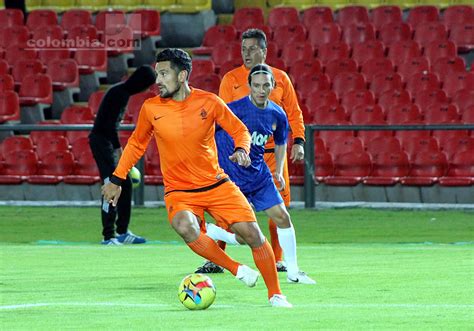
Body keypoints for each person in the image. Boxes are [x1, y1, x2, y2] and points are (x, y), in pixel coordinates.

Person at [101, 48, 292, 307]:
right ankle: (236, 269)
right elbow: (136, 144)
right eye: (158, 74)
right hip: (179, 191)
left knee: (253, 234)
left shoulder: (209, 102)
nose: (158, 80)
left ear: (182, 76)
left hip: (216, 183)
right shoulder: (151, 108)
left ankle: (276, 294)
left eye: (164, 73)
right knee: (184, 225)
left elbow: (240, 130)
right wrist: (116, 179)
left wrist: (241, 149)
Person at [196, 28, 306, 273]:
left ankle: (277, 260)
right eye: (243, 49)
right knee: (227, 208)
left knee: (279, 211)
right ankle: (216, 258)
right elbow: (221, 120)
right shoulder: (231, 79)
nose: (246, 54)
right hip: (240, 156)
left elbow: (293, 113)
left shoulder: (281, 78)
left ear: (264, 51)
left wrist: (298, 140)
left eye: (252, 49)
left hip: (271, 157)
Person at [89, 65, 156, 245]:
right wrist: (119, 150)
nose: (148, 89)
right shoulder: (119, 93)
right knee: (110, 184)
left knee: (124, 183)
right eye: (148, 85)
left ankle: (122, 232)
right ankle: (108, 236)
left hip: (106, 142)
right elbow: (109, 127)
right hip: (101, 142)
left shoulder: (122, 92)